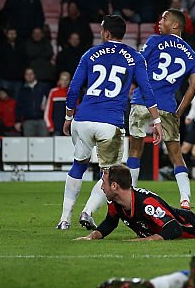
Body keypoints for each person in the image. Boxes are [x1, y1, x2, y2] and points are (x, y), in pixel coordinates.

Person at [58, 15, 162, 230]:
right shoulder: (134, 57)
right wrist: (157, 120)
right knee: (109, 173)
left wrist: (68, 117)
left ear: (106, 33)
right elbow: (147, 90)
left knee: (78, 165)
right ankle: (87, 211)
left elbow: (73, 89)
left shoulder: (90, 53)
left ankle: (64, 219)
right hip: (110, 123)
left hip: (83, 119)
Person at [125, 10, 195, 208]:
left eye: (164, 19)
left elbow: (138, 66)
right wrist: (179, 112)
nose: (159, 22)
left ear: (175, 25)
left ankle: (132, 196)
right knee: (176, 154)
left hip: (143, 101)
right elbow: (193, 86)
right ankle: (185, 198)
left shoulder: (154, 41)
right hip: (168, 106)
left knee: (135, 150)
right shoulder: (191, 54)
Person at [75, 165, 195, 241]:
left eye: (104, 184)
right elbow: (110, 222)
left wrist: (146, 240)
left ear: (115, 185)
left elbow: (173, 229)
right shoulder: (116, 202)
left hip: (192, 227)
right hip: (180, 222)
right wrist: (93, 236)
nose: (101, 188)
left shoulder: (147, 203)